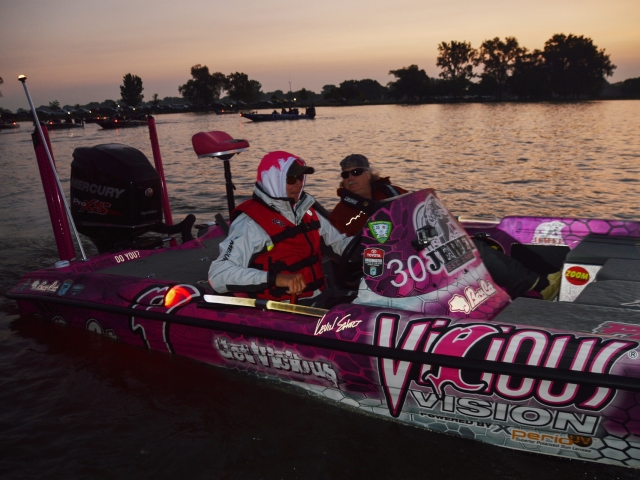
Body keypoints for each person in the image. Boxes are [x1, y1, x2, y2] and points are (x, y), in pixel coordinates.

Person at [328, 154, 561, 300]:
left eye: (356, 172)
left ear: (369, 174)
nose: (350, 178)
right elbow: (348, 252)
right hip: (388, 267)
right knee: (465, 253)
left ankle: (538, 282)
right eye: (346, 175)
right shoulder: (341, 213)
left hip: (415, 251)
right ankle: (537, 286)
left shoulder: (392, 192)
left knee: (474, 244)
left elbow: (419, 210)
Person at [208, 151, 352, 305]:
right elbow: (218, 274)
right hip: (283, 309)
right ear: (273, 179)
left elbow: (340, 244)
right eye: (291, 179)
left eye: (300, 177)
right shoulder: (250, 223)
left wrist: (367, 244)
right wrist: (276, 278)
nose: (298, 183)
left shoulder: (306, 210)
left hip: (321, 298)